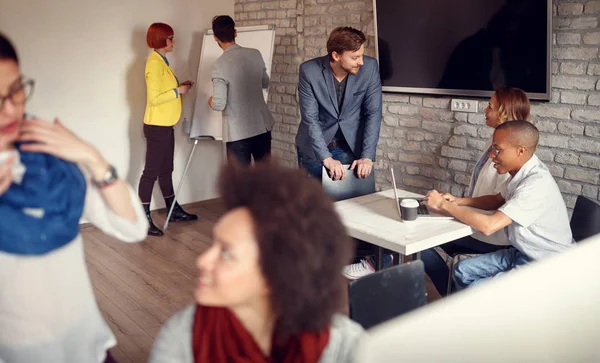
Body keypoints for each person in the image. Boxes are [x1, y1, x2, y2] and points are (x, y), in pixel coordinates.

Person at [0, 33, 148, 363]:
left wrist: (90, 157)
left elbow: (133, 228)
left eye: (16, 90)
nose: (11, 109)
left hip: (87, 344)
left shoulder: (51, 153)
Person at [149, 162, 363, 363]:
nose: (202, 260)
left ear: (278, 275)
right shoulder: (183, 337)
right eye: (213, 244)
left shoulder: (345, 347)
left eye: (226, 253)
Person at [424, 121, 573, 289]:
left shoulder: (536, 185)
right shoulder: (521, 172)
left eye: (497, 149)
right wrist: (459, 201)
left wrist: (444, 205)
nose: (491, 155)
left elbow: (489, 226)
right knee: (462, 271)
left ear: (520, 151)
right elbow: (497, 199)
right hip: (523, 252)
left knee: (476, 290)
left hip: (546, 262)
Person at [421, 86, 530, 295]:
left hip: (492, 237)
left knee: (421, 242)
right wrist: (458, 201)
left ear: (504, 113)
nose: (485, 110)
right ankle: (453, 293)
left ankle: (452, 295)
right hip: (475, 223)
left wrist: (448, 205)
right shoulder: (495, 142)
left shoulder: (511, 155)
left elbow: (498, 202)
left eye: (490, 106)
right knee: (427, 224)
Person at [296, 26, 382, 181]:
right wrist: (326, 158)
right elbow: (310, 118)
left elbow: (373, 113)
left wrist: (367, 156)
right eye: (355, 57)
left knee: (351, 203)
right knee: (312, 201)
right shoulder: (309, 71)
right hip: (315, 149)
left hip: (351, 147)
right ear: (336, 55)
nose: (361, 62)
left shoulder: (370, 68)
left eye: (361, 55)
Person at [138, 22, 197, 237]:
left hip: (165, 125)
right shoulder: (153, 63)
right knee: (150, 173)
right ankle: (143, 219)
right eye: (171, 38)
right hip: (156, 127)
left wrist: (180, 85)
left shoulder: (162, 61)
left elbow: (164, 90)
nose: (174, 42)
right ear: (162, 40)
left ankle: (173, 210)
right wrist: (178, 91)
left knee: (166, 169)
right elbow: (154, 99)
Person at [208, 15, 274, 165]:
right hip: (261, 126)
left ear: (215, 37)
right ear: (235, 32)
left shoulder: (219, 65)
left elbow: (218, 104)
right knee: (265, 178)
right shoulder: (255, 53)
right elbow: (265, 82)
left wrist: (210, 100)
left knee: (240, 183)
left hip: (237, 132)